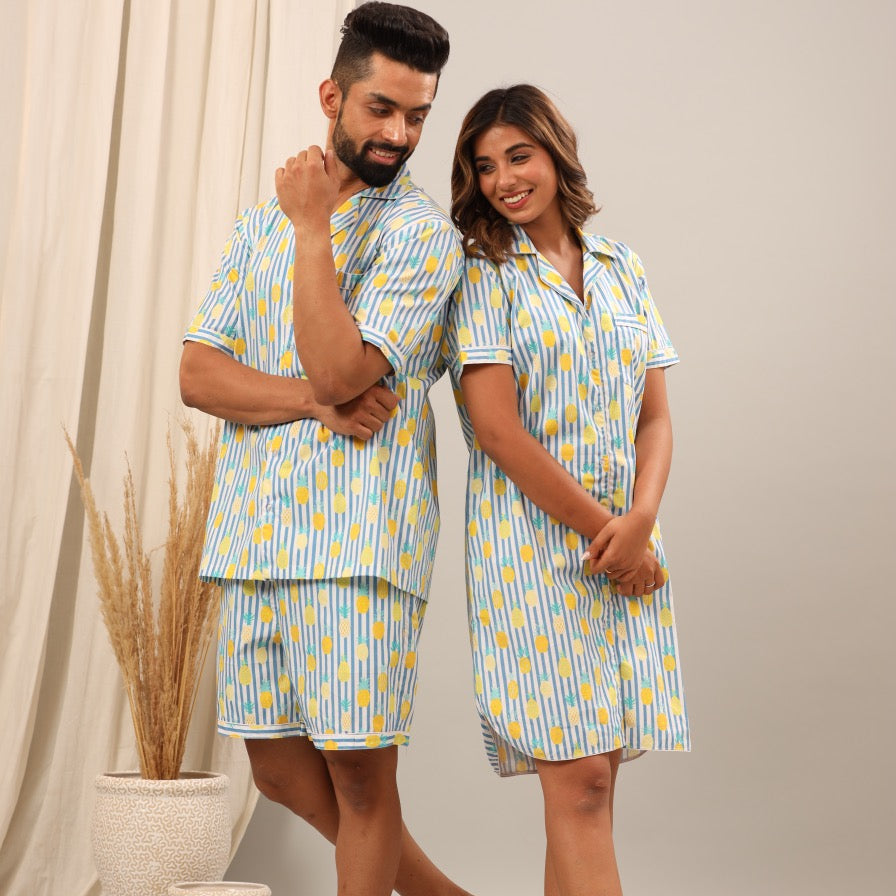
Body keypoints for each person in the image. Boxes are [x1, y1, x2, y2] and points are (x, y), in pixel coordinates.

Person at [179, 5, 469, 896]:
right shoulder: (259, 224)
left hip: (356, 544)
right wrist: (311, 402)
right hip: (253, 537)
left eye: (417, 115)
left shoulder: (421, 235)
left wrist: (313, 230)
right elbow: (199, 374)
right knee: (275, 770)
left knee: (360, 780)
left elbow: (344, 367)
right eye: (383, 108)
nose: (400, 134)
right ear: (331, 97)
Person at [445, 84, 691, 895]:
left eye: (518, 156)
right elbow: (498, 431)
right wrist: (612, 536)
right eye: (485, 167)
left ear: (555, 152)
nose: (504, 180)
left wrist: (640, 523)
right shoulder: (481, 273)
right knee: (581, 780)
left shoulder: (622, 267)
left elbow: (654, 418)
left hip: (625, 548)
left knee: (595, 781)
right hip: (531, 558)